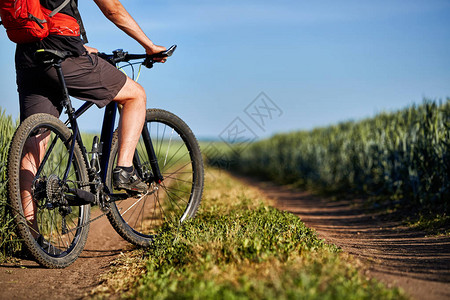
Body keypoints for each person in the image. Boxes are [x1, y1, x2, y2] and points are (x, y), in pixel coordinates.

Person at [17, 0, 165, 237]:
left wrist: (81, 48)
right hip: (62, 54)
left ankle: (29, 236)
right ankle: (125, 170)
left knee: (34, 143)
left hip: (29, 57)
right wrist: (149, 46)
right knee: (136, 95)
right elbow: (112, 8)